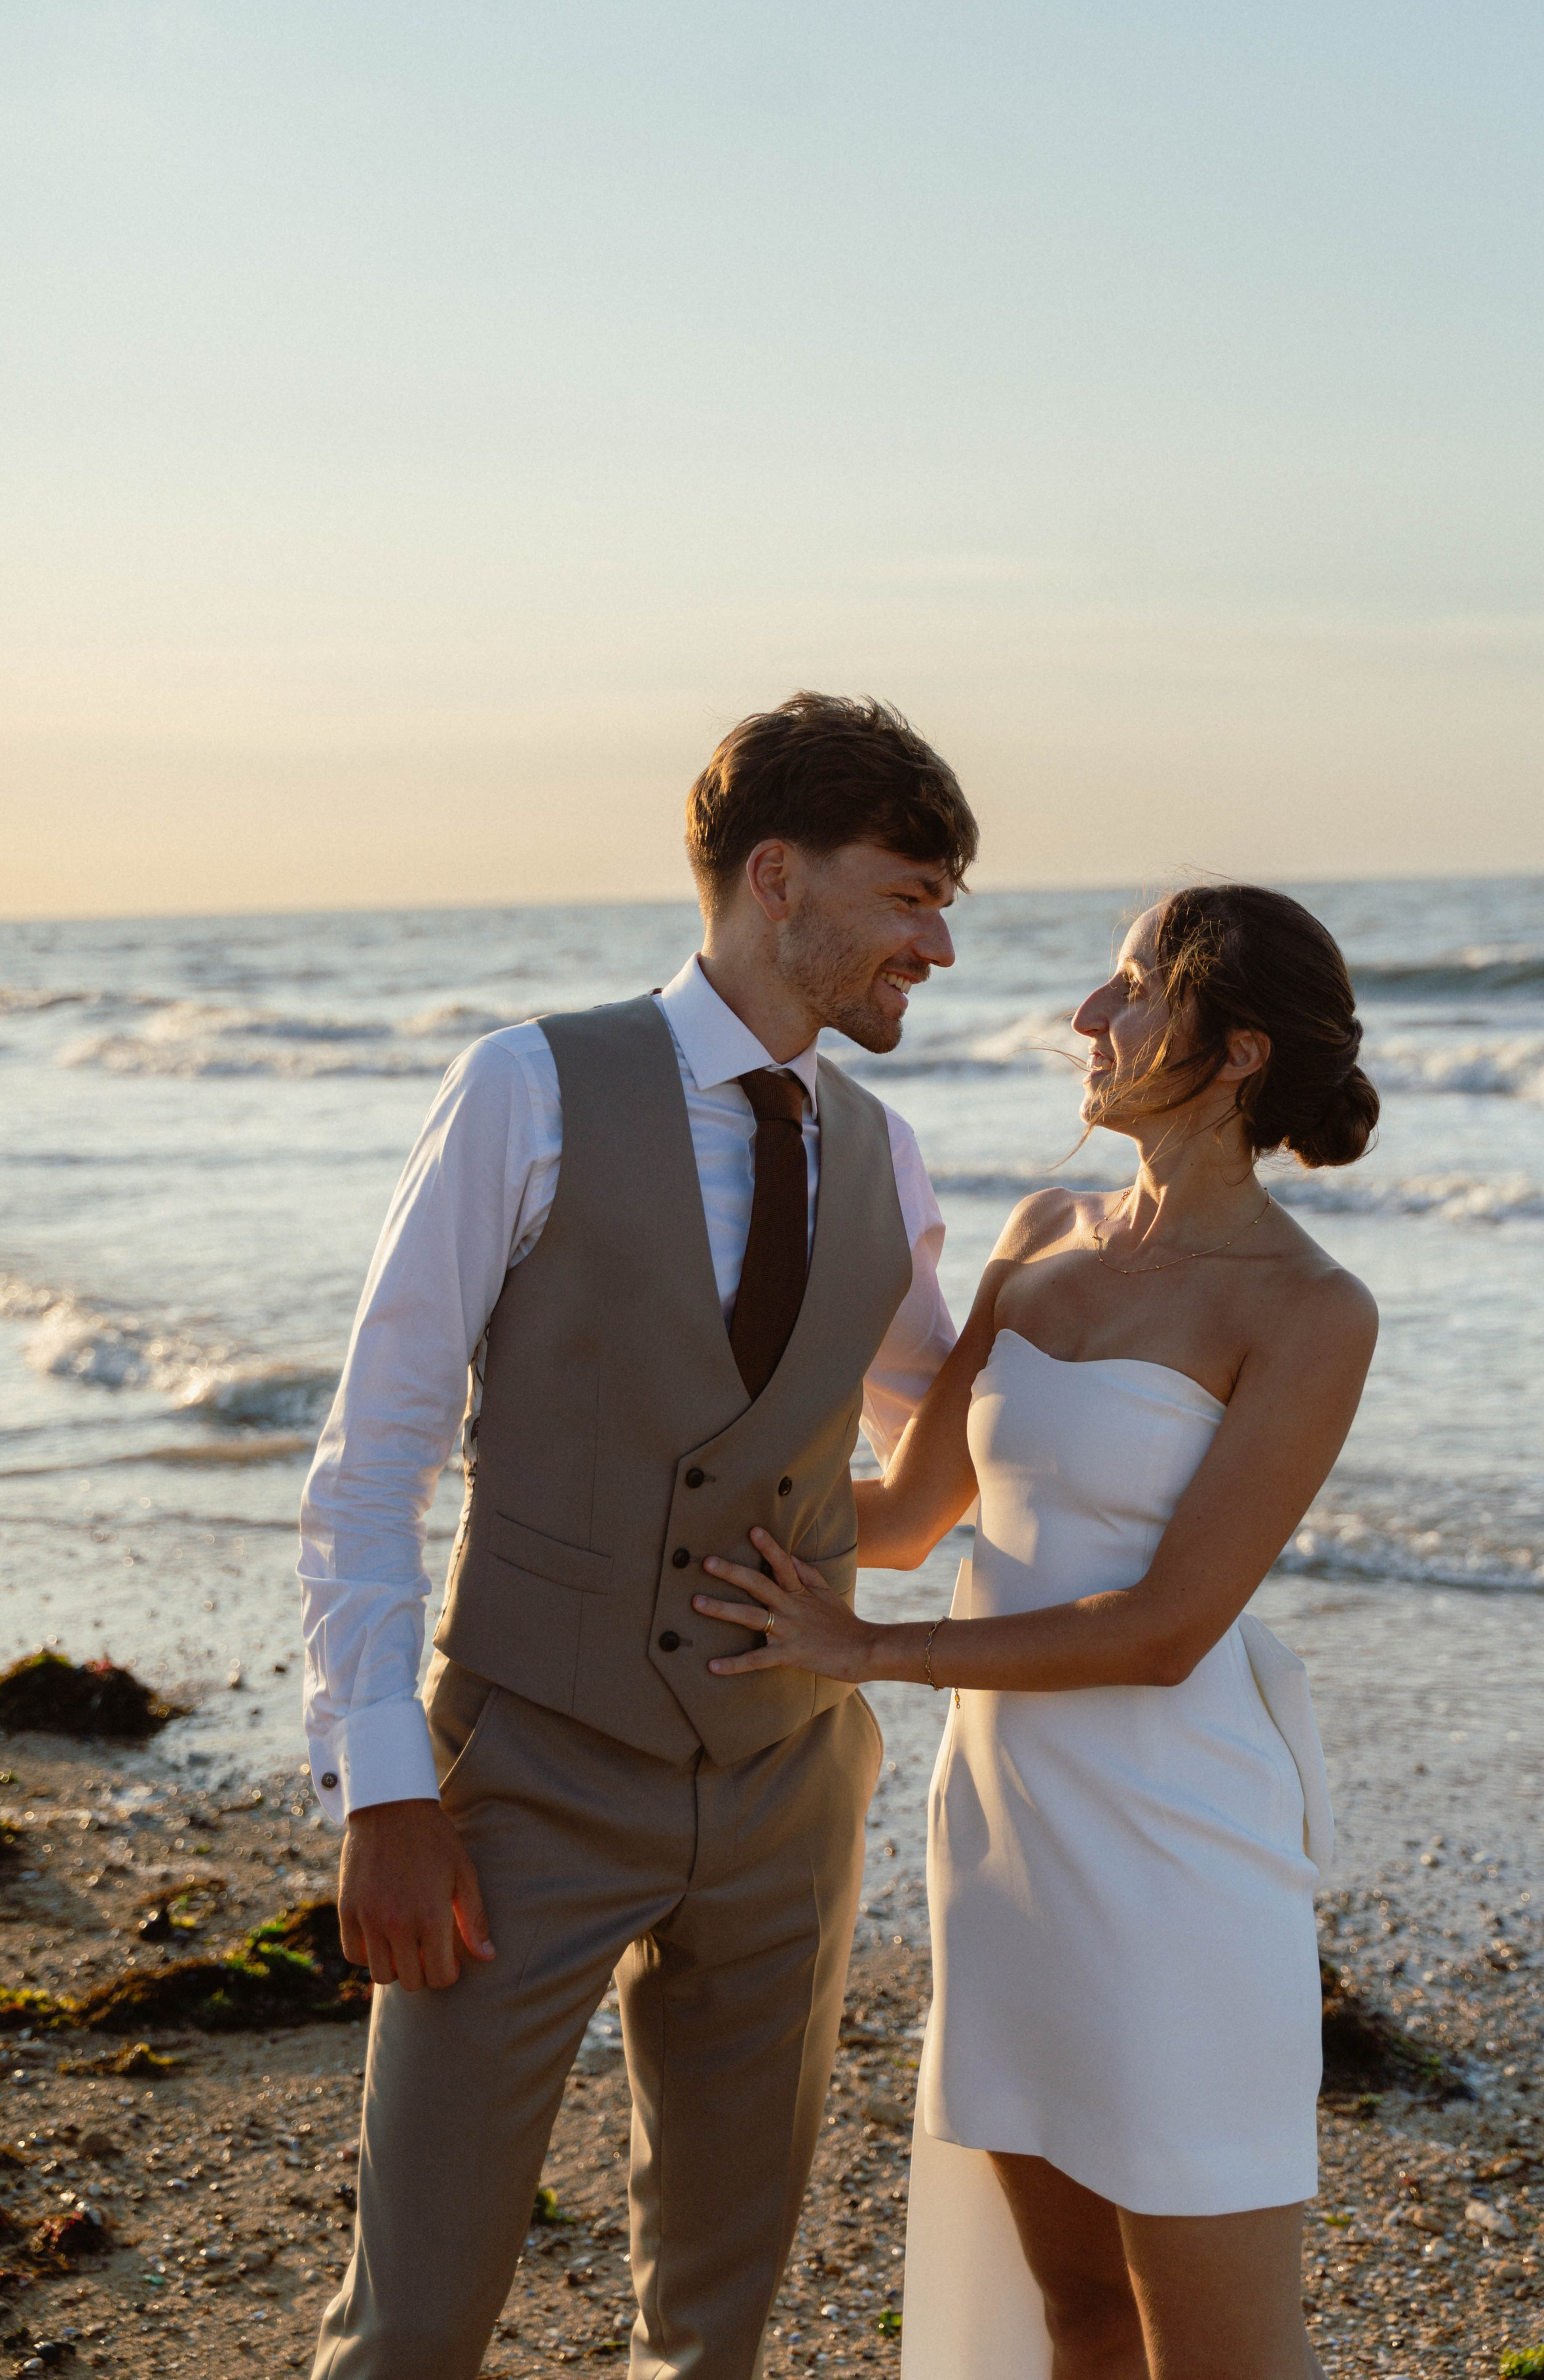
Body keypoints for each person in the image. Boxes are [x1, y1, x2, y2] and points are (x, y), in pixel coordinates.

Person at [298, 693, 977, 2380]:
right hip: (526, 1772)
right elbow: (375, 1452)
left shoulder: (884, 1160)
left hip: (788, 1788)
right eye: (908, 896)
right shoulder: (525, 1088)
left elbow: (941, 1453)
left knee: (715, 2323)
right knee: (414, 2318)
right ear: (775, 877)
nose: (938, 946)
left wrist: (1113, 1294)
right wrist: (383, 1786)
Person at [694, 883, 1382, 2380]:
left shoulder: (1309, 1311)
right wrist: (668, 1485)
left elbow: (1164, 1628)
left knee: (1222, 2355)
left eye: (1133, 987)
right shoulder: (1043, 1236)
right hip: (1004, 1843)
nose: (1088, 1015)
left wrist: (869, 1653)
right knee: (1080, 2322)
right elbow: (905, 1512)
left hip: (1180, 1855)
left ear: (1240, 1050)